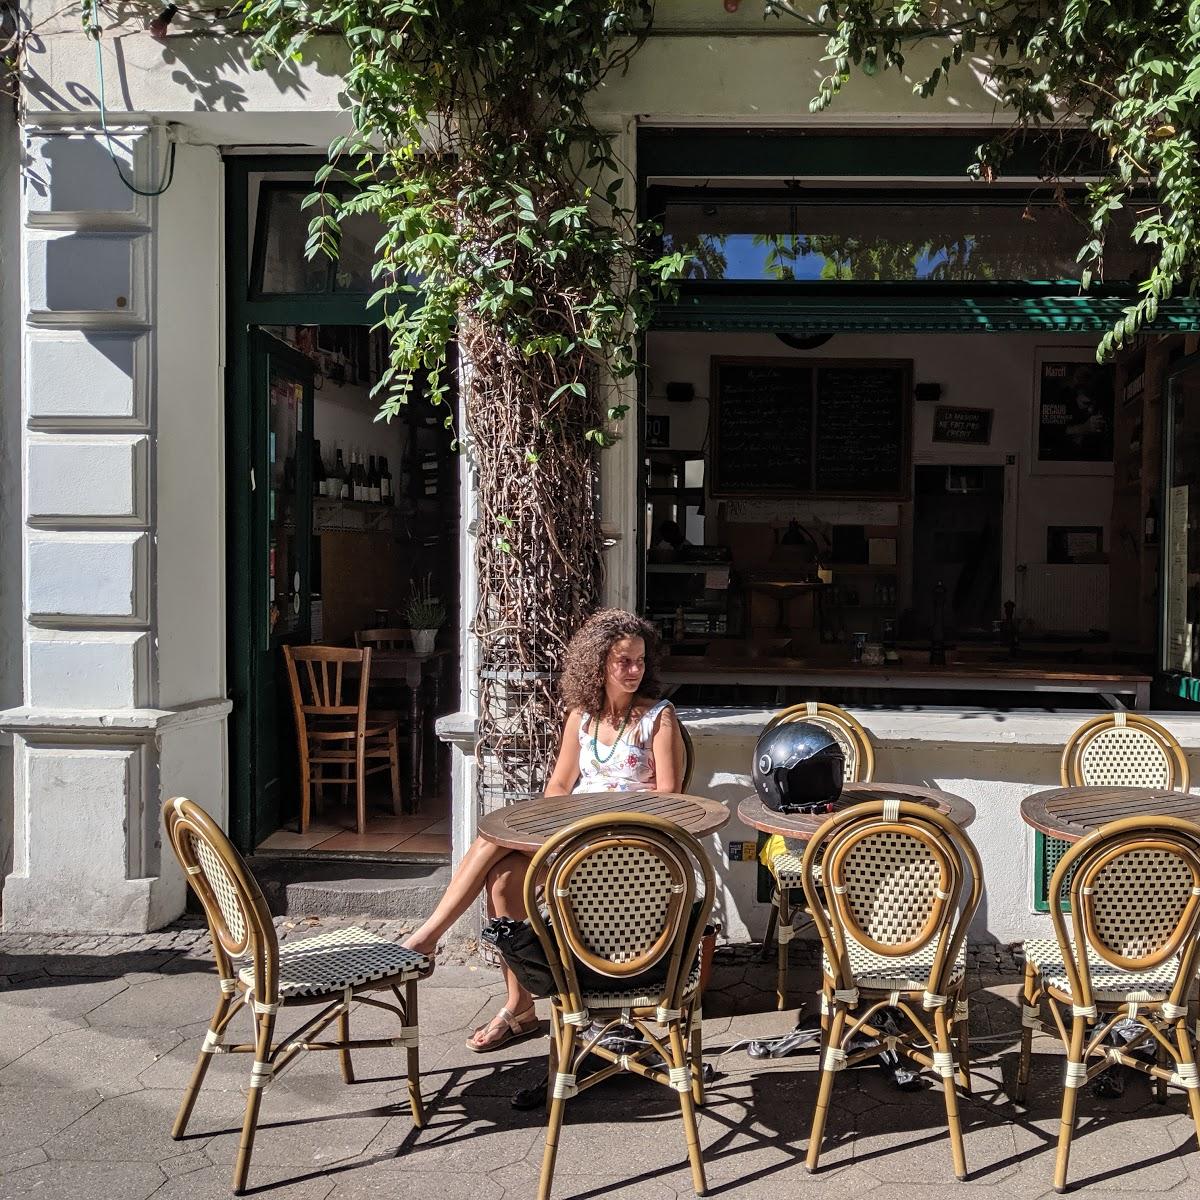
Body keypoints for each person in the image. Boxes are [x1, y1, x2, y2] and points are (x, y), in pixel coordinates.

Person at [402, 607, 684, 1052]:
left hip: (627, 844)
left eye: (640, 661)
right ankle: (518, 1006)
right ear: (598, 664)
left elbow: (669, 798)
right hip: (572, 834)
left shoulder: (658, 718)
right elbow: (558, 784)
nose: (634, 671)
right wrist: (551, 825)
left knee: (494, 854)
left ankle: (426, 940)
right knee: (502, 878)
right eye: (623, 661)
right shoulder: (582, 717)